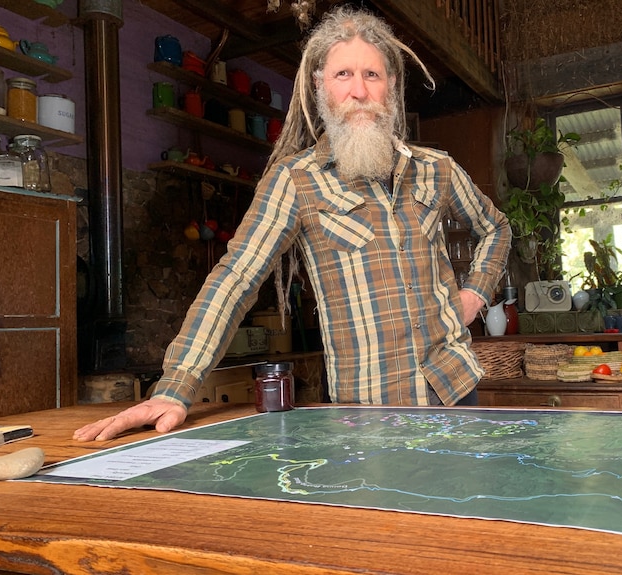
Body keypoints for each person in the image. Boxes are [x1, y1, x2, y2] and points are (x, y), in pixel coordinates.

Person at [73, 5, 511, 442]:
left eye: (372, 75)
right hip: (369, 414)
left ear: (391, 85)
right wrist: (175, 388)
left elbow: (496, 227)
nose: (359, 90)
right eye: (343, 76)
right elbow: (236, 277)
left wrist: (474, 294)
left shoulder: (437, 169)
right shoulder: (296, 181)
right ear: (320, 86)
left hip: (456, 390)